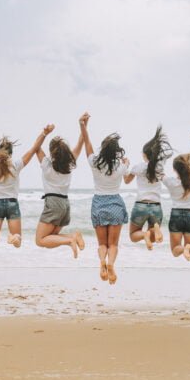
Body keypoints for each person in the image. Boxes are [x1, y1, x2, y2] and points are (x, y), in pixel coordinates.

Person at [0, 116, 51, 248]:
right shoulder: (16, 164)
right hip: (12, 203)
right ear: (11, 154)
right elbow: (34, 148)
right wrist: (44, 133)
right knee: (18, 242)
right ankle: (15, 237)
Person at [80, 113, 129, 284]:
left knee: (102, 244)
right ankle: (111, 263)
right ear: (116, 151)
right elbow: (126, 169)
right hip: (115, 203)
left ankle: (102, 262)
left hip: (99, 203)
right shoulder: (120, 166)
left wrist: (83, 125)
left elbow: (87, 143)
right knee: (113, 245)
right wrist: (126, 163)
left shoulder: (95, 162)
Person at [33, 122, 85, 258]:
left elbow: (36, 147)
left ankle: (70, 240)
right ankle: (73, 236)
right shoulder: (69, 164)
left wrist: (45, 133)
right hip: (65, 204)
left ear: (51, 152)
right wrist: (83, 125)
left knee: (40, 240)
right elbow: (80, 143)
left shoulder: (47, 165)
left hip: (53, 203)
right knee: (51, 237)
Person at [123, 127, 172, 251]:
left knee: (133, 236)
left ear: (144, 155)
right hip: (156, 206)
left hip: (141, 205)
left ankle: (146, 234)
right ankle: (154, 228)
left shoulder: (138, 167)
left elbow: (126, 181)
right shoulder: (160, 167)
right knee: (154, 238)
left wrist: (125, 167)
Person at [162, 131, 190, 261]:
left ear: (175, 170)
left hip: (176, 215)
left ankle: (185, 248)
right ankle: (188, 247)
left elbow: (158, 171)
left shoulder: (170, 182)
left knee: (175, 251)